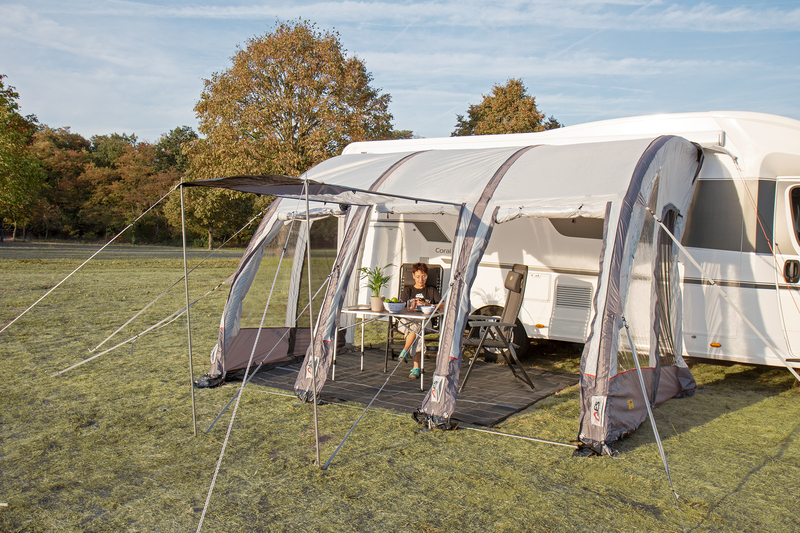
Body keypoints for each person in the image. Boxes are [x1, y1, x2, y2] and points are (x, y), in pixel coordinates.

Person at [397, 262, 441, 379]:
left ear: (427, 276)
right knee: (417, 329)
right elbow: (400, 306)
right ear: (413, 276)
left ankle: (405, 351)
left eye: (423, 276)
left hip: (425, 322)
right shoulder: (408, 291)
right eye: (418, 276)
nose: (421, 279)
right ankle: (416, 368)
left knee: (417, 326)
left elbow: (443, 305)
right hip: (406, 321)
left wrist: (429, 305)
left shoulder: (431, 291)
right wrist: (410, 306)